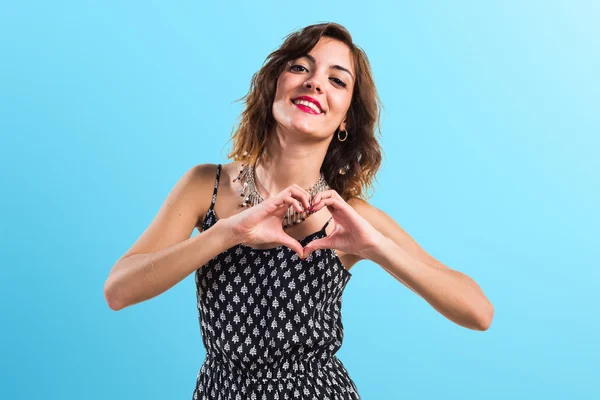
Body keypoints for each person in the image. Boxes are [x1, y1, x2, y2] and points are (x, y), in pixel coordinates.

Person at [103, 22, 494, 400]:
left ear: (345, 120)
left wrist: (377, 247)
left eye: (337, 80)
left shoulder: (349, 217)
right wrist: (228, 233)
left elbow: (478, 312)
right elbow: (119, 290)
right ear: (275, 83)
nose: (315, 82)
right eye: (300, 67)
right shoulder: (205, 186)